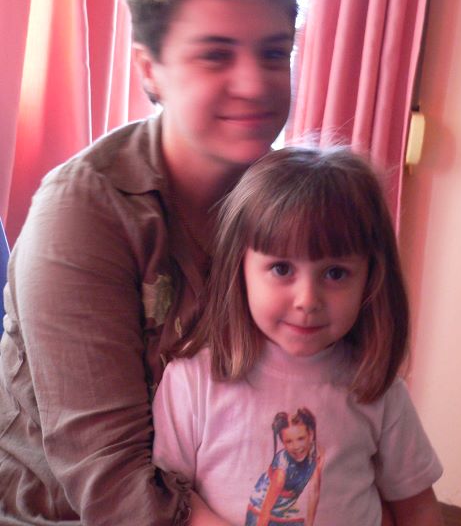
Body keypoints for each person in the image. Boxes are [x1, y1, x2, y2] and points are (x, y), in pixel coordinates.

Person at [0, 0, 297, 525]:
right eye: (215, 56)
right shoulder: (82, 215)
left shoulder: (290, 201)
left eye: (274, 53)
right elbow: (111, 486)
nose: (253, 84)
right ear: (148, 69)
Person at [152, 146, 445, 526]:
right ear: (239, 268)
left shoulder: (377, 387)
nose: (307, 300)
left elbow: (417, 506)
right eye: (281, 269)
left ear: (370, 278)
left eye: (335, 273)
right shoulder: (193, 380)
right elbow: (168, 496)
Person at [245, 408, 324, 526]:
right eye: (289, 441)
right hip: (260, 513)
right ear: (283, 442)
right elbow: (266, 508)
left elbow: (314, 490)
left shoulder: (316, 453)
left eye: (301, 438)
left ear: (311, 435)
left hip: (282, 514)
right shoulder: (282, 468)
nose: (296, 446)